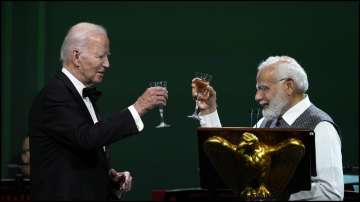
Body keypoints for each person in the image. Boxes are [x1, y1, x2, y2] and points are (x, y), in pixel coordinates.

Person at [29, 22, 168, 201]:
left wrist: (107, 178)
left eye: (107, 57)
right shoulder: (55, 94)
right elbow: (86, 138)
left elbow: (78, 153)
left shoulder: (80, 93)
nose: (107, 64)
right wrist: (138, 108)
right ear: (77, 57)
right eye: (101, 56)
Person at [193, 56, 344, 200]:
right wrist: (209, 110)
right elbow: (231, 163)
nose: (257, 96)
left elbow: (331, 192)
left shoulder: (322, 127)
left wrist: (273, 195)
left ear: (289, 86)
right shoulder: (265, 123)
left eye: (263, 88)